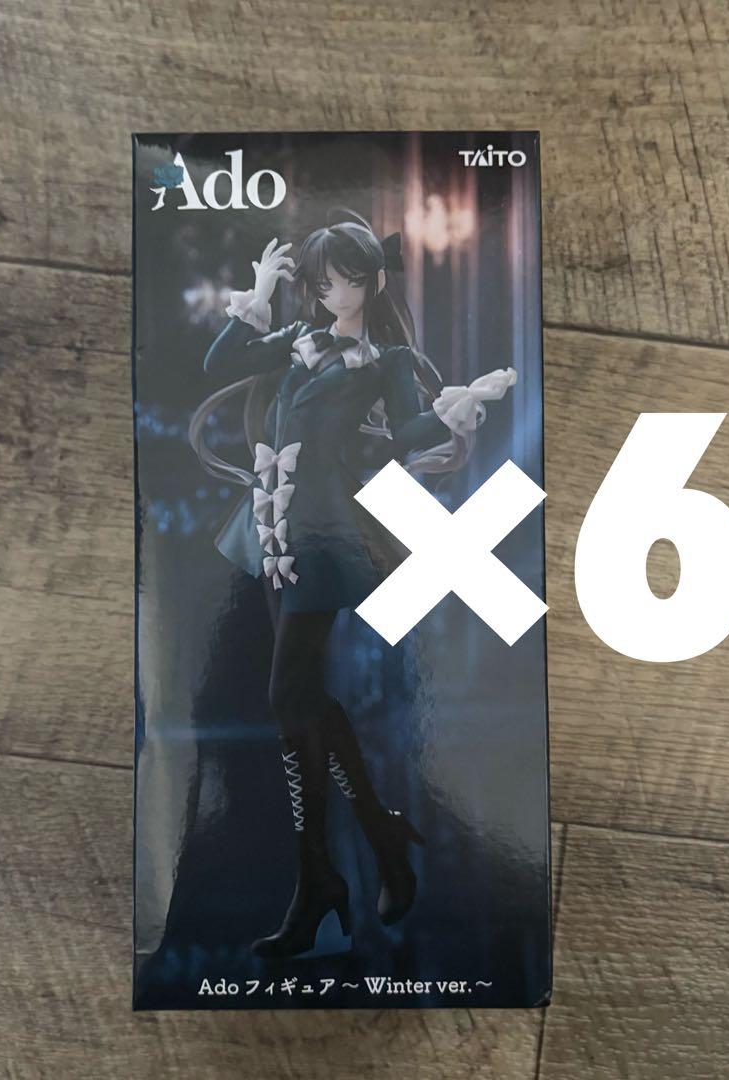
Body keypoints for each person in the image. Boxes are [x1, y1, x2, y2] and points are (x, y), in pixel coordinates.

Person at [189, 210, 518, 958]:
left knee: (288, 695)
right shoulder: (297, 339)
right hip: (272, 526)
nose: (332, 293)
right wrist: (259, 297)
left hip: (324, 531)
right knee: (300, 698)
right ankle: (364, 845)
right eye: (321, 283)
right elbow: (217, 365)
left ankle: (328, 874)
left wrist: (458, 408)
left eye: (344, 280)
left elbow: (405, 434)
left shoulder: (385, 359)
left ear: (371, 281)